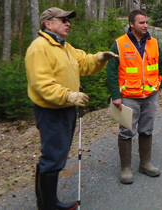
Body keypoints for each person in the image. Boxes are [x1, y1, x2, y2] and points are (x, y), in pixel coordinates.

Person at [25, 7, 118, 210]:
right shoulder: (39, 47)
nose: (68, 23)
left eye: (69, 20)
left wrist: (99, 58)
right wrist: (68, 95)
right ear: (48, 23)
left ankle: (46, 202)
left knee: (56, 154)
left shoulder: (64, 46)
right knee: (53, 155)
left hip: (66, 108)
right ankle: (48, 205)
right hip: (51, 110)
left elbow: (83, 63)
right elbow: (41, 83)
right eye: (63, 20)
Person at [106, 10, 162, 184]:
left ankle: (145, 164)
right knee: (126, 131)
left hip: (149, 96)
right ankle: (126, 168)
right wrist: (115, 96)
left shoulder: (153, 42)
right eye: (141, 23)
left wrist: (159, 84)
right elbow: (111, 72)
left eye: (147, 22)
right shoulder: (119, 44)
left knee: (146, 129)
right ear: (131, 24)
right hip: (128, 97)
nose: (146, 25)